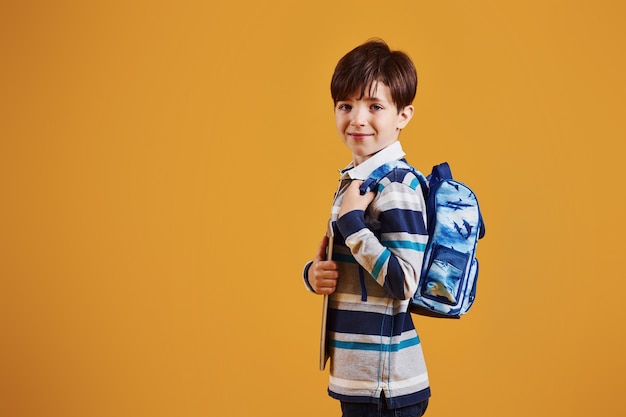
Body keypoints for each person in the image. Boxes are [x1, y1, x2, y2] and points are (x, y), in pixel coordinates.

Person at [302, 39, 431, 417]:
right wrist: (315, 274)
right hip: (358, 377)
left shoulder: (397, 186)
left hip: (385, 386)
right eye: (346, 106)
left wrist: (352, 224)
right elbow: (349, 266)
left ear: (403, 115)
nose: (357, 118)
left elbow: (406, 281)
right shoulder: (358, 180)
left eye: (374, 106)